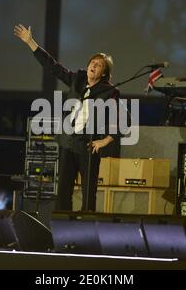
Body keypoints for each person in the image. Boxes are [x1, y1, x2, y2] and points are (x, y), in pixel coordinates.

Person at [14, 24, 121, 212]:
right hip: (68, 143)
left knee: (89, 195)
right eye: (92, 63)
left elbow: (122, 120)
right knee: (63, 193)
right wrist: (31, 43)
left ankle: (87, 230)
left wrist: (104, 141)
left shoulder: (109, 92)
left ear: (104, 73)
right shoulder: (77, 80)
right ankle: (63, 230)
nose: (93, 66)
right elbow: (53, 67)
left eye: (98, 65)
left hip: (88, 147)